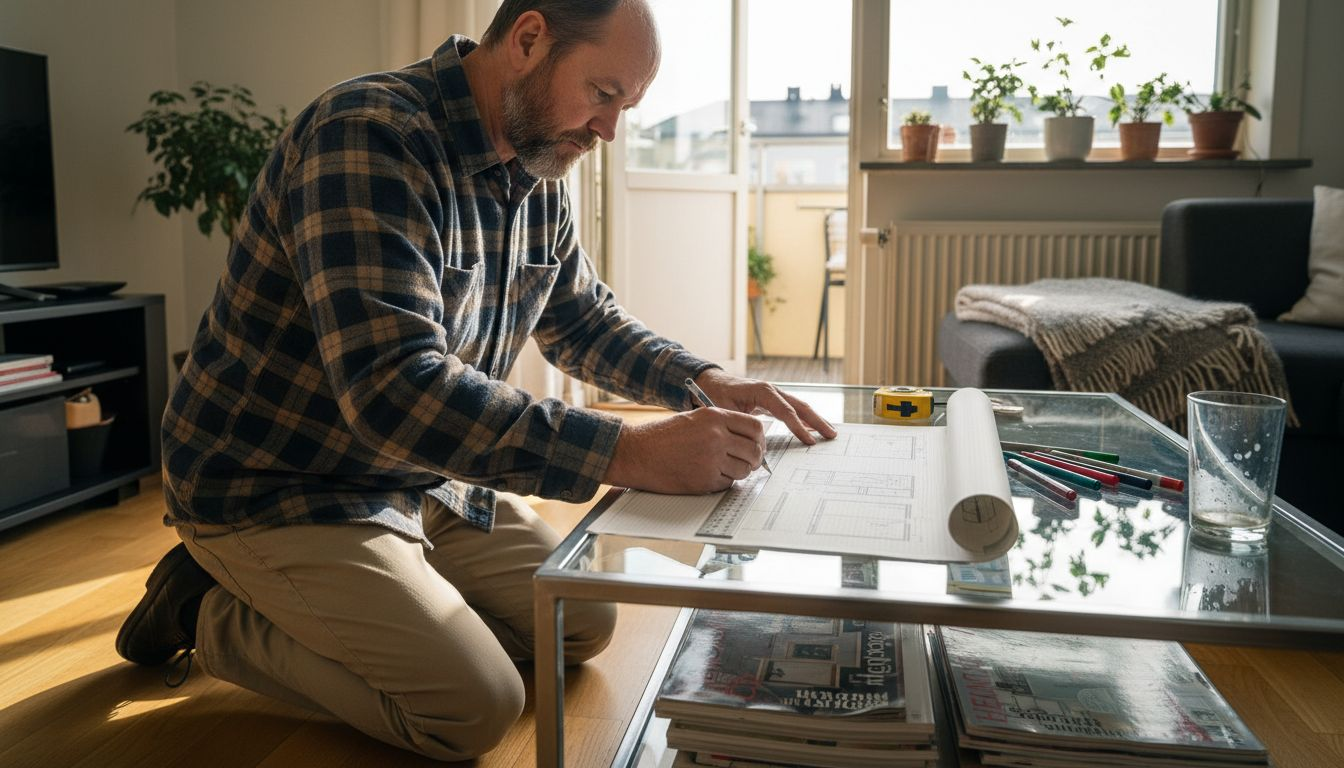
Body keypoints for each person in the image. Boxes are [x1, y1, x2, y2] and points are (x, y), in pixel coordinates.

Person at [115, 0, 836, 760]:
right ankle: (203, 609)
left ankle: (378, 603)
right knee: (474, 708)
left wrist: (705, 379)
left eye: (628, 105)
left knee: (582, 624)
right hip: (281, 482)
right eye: (603, 94)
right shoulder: (367, 136)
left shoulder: (537, 160)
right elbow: (395, 389)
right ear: (528, 39)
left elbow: (582, 319)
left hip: (420, 472)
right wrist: (629, 451)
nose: (610, 130)